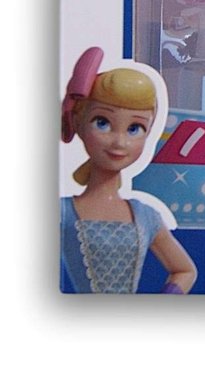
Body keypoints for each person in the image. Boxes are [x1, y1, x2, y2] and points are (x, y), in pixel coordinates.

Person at [60, 47, 197, 293]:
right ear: (78, 124)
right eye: (102, 123)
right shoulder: (62, 212)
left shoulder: (146, 216)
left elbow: (185, 270)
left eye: (134, 128)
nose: (119, 142)